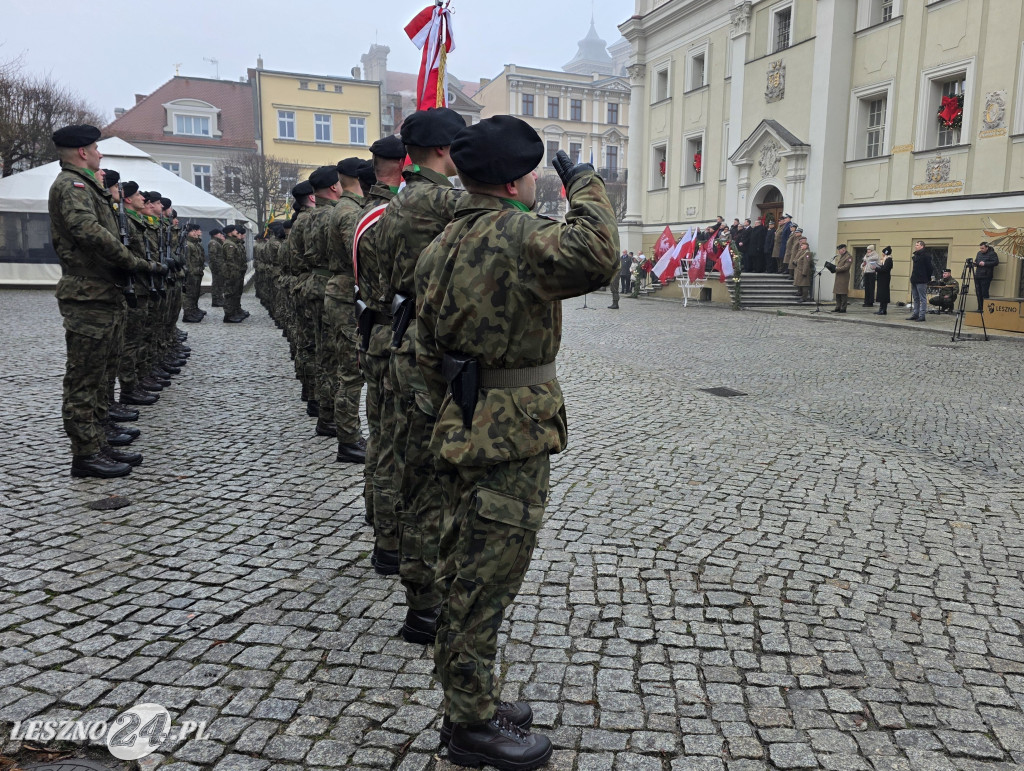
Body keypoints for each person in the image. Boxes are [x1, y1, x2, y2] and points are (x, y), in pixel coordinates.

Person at [415, 115, 619, 770]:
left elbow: (424, 349)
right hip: (510, 431)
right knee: (485, 579)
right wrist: (585, 181)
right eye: (530, 173)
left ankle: (470, 698)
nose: (535, 181)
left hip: (461, 421)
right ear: (514, 178)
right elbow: (597, 255)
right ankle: (470, 724)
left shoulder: (442, 241)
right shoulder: (520, 234)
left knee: (461, 566)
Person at [378, 107, 467, 639]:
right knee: (437, 479)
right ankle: (429, 602)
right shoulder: (445, 202)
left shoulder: (396, 202)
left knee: (413, 470)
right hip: (433, 349)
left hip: (403, 339)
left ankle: (419, 599)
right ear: (444, 150)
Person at [48, 124, 164, 478]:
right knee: (85, 378)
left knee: (101, 374)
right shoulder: (72, 186)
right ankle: (85, 454)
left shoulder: (86, 187)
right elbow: (88, 231)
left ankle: (99, 440)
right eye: (96, 149)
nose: (100, 154)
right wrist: (132, 262)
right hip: (88, 293)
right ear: (83, 152)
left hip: (102, 291)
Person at [354, 135, 406, 570]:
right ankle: (390, 539)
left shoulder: (364, 214)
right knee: (395, 440)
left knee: (379, 432)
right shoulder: (395, 216)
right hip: (396, 335)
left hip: (374, 331)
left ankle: (376, 511)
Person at [322, 158, 368, 458]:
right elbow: (360, 255)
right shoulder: (350, 211)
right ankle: (349, 439)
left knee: (345, 366)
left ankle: (346, 433)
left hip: (340, 292)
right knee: (352, 370)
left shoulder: (343, 208)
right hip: (346, 294)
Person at [182, 223, 205, 322]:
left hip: (197, 272)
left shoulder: (195, 244)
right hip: (191, 273)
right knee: (189, 294)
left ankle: (193, 310)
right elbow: (187, 261)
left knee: (195, 293)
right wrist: (190, 273)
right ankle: (188, 314)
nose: (196, 233)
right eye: (193, 231)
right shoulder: (188, 244)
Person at [908, 240, 934, 321]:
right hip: (915, 279)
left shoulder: (926, 255)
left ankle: (922, 315)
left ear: (922, 246)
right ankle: (915, 314)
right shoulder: (916, 255)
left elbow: (930, 268)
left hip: (922, 280)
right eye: (915, 245)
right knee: (915, 298)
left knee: (922, 298)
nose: (916, 246)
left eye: (917, 245)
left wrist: (927, 277)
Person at [974, 241, 999, 312]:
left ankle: (985, 308)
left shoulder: (992, 254)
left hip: (986, 275)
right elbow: (977, 261)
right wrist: (975, 263)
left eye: (983, 248)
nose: (981, 250)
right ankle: (979, 307)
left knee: (984, 292)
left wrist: (985, 263)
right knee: (978, 292)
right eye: (980, 248)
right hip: (978, 275)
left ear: (987, 247)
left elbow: (996, 262)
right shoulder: (979, 253)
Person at [831, 244, 853, 313]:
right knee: (838, 292)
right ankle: (838, 307)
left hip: (844, 277)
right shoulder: (842, 256)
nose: (839, 252)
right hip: (839, 276)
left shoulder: (849, 257)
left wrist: (836, 268)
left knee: (843, 293)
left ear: (844, 249)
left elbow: (846, 267)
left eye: (839, 250)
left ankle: (843, 308)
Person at [874, 246, 893, 315]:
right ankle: (881, 308)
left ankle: (883, 309)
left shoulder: (889, 260)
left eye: (883, 253)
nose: (882, 254)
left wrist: (876, 269)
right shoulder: (885, 259)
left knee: (884, 294)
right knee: (881, 294)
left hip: (885, 279)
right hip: (882, 278)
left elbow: (885, 269)